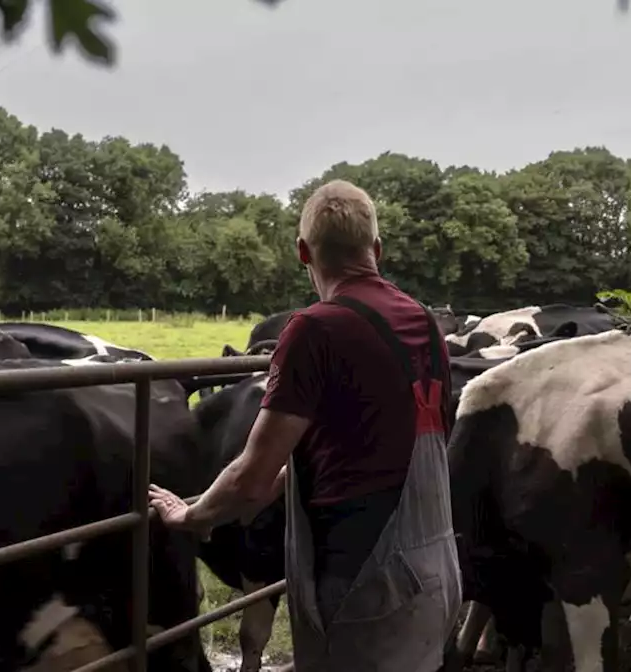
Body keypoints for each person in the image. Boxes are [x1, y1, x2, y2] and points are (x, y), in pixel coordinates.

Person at [147, 179, 461, 670]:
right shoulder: (425, 322)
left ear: (302, 252)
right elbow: (390, 446)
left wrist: (191, 516)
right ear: (377, 249)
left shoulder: (314, 330)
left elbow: (249, 476)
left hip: (366, 579)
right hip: (438, 565)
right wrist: (279, 483)